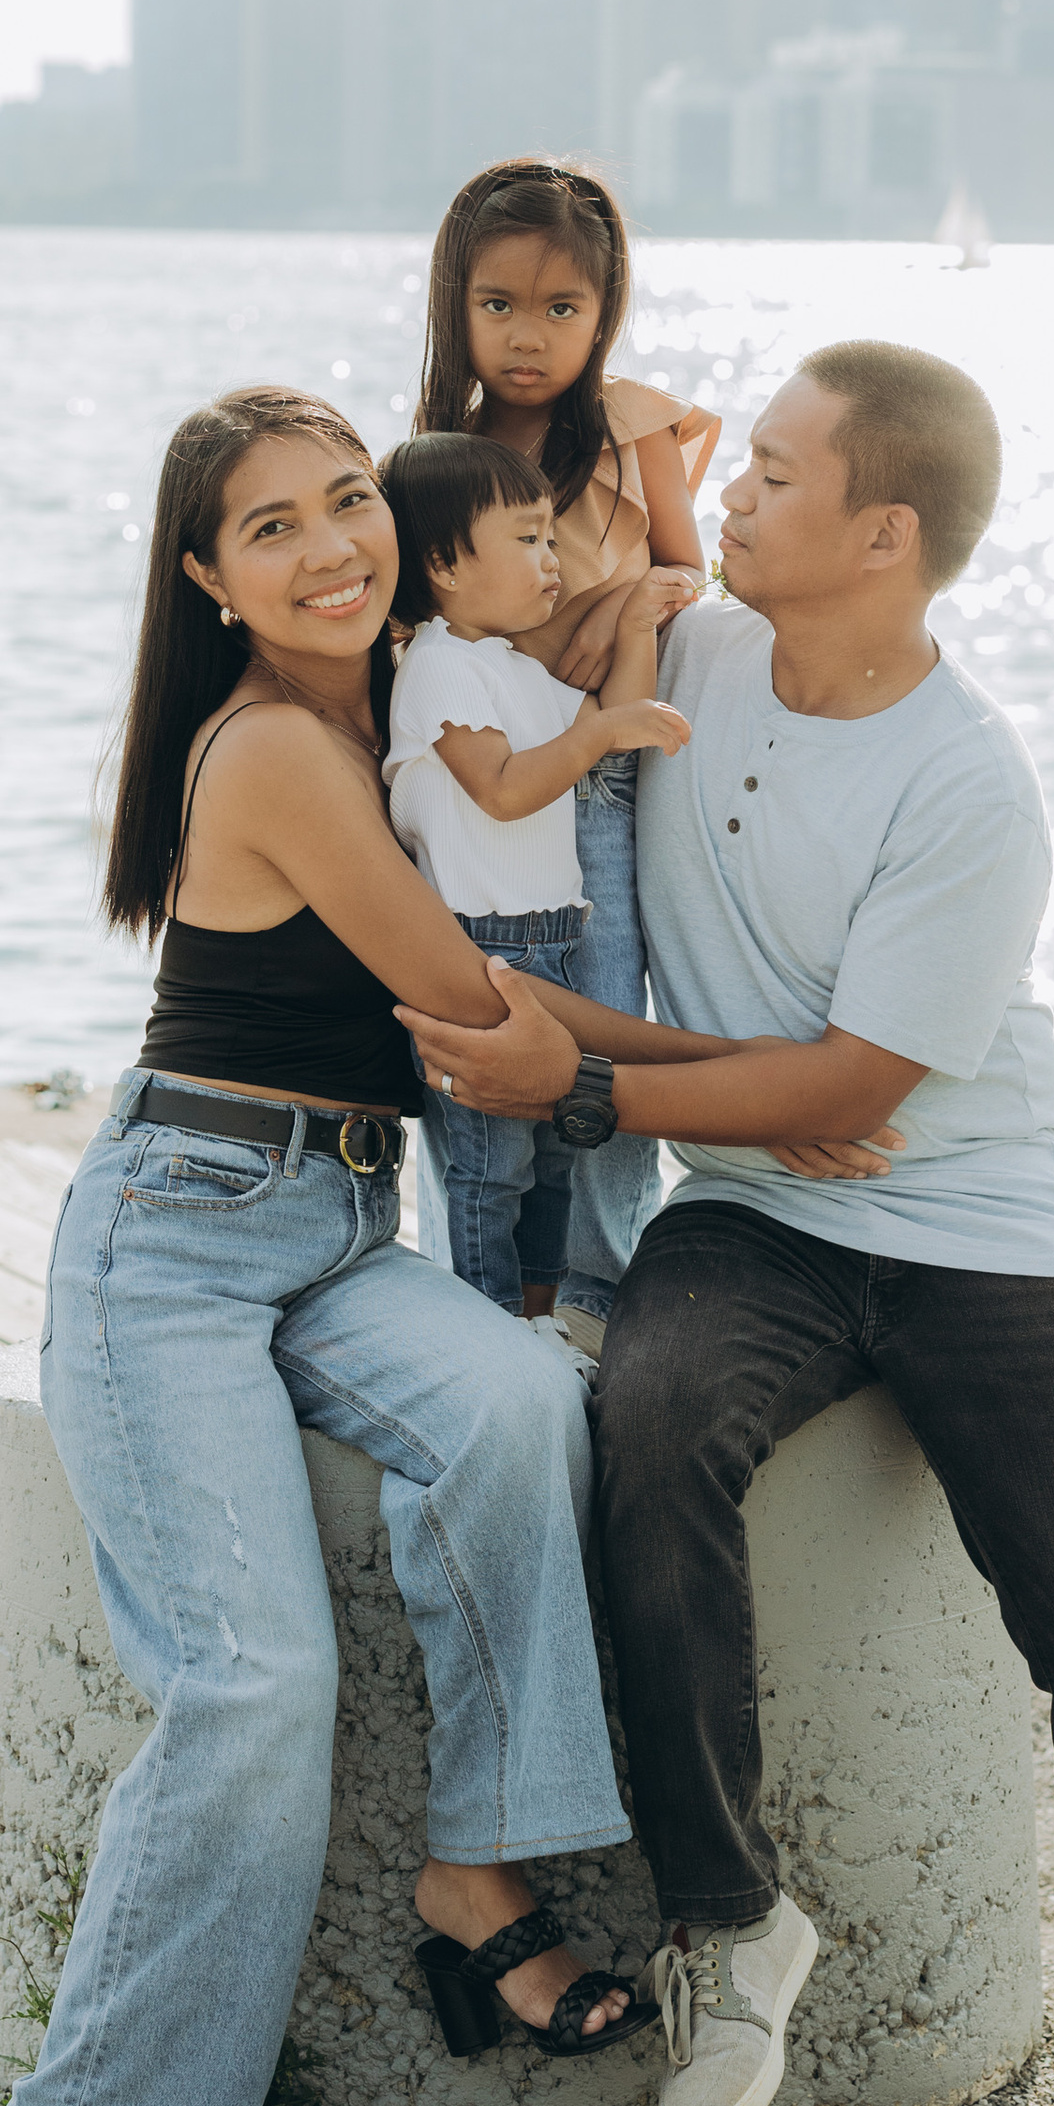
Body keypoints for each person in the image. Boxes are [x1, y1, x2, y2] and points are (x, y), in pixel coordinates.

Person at [400, 341, 1054, 2106]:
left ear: (883, 533)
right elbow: (461, 633)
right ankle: (730, 1921)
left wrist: (601, 1081)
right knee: (644, 1425)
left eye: (776, 477)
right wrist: (627, 435)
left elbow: (861, 1091)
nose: (737, 502)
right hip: (753, 1211)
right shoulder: (685, 662)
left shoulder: (972, 784)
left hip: (977, 1217)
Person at [0, 389, 657, 2106]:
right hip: (175, 1243)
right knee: (252, 1679)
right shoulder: (282, 746)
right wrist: (766, 1092)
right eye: (267, 527)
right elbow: (467, 1005)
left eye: (348, 500)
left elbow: (591, 612)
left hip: (327, 1229)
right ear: (206, 581)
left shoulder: (401, 714)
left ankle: (474, 1877)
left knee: (524, 1405)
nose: (327, 545)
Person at [410, 158, 718, 1336]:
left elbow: (690, 569)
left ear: (604, 312)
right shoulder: (441, 457)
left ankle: (596, 1292)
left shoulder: (631, 425)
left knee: (601, 1020)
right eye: (497, 306)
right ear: (456, 306)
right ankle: (480, 1295)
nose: (527, 337)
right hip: (490, 784)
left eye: (561, 309)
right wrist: (562, 624)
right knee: (488, 1052)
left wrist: (612, 609)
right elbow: (422, 624)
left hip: (599, 779)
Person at [377, 431, 693, 1326]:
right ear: (442, 562)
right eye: (526, 540)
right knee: (488, 1162)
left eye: (553, 539)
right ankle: (489, 1322)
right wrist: (594, 736)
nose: (551, 562)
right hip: (479, 953)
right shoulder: (437, 665)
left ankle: (542, 1315)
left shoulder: (511, 666)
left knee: (555, 1144)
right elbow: (505, 789)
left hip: (549, 937)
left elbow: (609, 724)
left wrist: (634, 625)